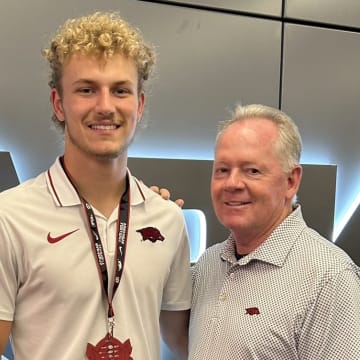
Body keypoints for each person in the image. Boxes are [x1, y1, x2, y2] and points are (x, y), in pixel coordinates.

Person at [0, 12, 191, 360]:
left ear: (139, 103)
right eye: (87, 90)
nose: (105, 106)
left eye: (120, 90)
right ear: (59, 104)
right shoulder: (9, 217)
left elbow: (184, 341)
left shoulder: (168, 220)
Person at [189, 104, 360, 359]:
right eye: (223, 170)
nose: (232, 183)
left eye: (252, 171)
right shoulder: (209, 264)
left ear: (291, 181)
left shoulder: (330, 278)